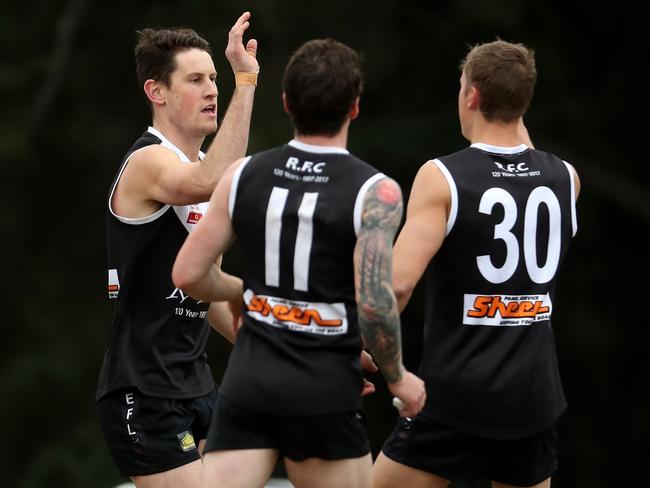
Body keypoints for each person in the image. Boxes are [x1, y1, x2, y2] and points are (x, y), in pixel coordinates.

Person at [172, 38, 426, 488]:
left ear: (287, 102)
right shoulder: (377, 192)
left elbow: (188, 274)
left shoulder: (242, 174)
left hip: (251, 384)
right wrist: (398, 376)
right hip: (325, 390)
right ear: (354, 109)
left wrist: (241, 293)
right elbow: (374, 303)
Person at [373, 40, 581, 488]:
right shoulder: (566, 177)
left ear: (471, 96)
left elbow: (397, 285)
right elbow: (522, 164)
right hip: (532, 395)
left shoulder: (442, 176)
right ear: (525, 99)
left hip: (457, 393)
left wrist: (368, 351)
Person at [96, 13, 259, 488]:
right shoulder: (148, 160)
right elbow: (206, 182)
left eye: (214, 78)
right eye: (195, 79)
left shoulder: (206, 167)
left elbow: (207, 300)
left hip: (197, 385)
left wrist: (298, 356)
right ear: (156, 92)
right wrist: (244, 80)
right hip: (142, 391)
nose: (212, 89)